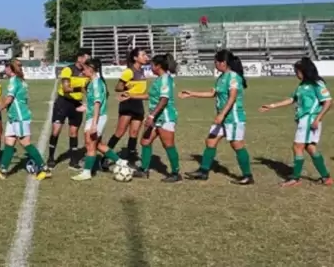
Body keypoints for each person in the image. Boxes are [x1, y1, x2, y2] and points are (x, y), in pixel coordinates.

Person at [180, 50, 254, 185]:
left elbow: (232, 98)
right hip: (224, 117)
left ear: (223, 63)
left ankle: (247, 175)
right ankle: (203, 171)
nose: (214, 64)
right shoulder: (221, 78)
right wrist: (191, 93)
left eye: (215, 62)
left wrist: (221, 114)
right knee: (210, 141)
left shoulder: (233, 77)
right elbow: (212, 93)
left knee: (237, 145)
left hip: (233, 117)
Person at [259, 58, 333, 186]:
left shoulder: (317, 84)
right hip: (304, 119)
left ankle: (295, 178)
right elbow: (291, 99)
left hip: (309, 118)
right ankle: (326, 178)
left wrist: (318, 118)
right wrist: (272, 106)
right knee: (310, 147)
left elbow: (328, 101)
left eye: (297, 71)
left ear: (304, 71)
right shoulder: (302, 85)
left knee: (297, 146)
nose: (296, 74)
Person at [120, 54, 182, 182]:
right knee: (145, 141)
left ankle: (176, 173)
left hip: (164, 117)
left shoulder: (165, 79)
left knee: (168, 145)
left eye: (152, 65)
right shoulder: (159, 79)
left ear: (158, 66)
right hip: (156, 118)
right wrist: (130, 95)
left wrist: (152, 115)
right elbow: (149, 96)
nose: (150, 67)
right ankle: (144, 170)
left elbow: (164, 100)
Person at [0, 60, 48, 180]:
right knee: (9, 140)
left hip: (19, 117)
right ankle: (3, 170)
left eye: (6, 68)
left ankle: (44, 168)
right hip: (13, 117)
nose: (5, 70)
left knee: (25, 142)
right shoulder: (19, 80)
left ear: (11, 69)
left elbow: (9, 99)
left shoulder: (14, 81)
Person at [71, 58, 128, 181]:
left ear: (90, 69)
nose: (83, 70)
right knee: (98, 145)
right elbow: (95, 103)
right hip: (94, 116)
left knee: (90, 144)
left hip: (95, 118)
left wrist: (94, 124)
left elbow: (97, 104)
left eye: (85, 68)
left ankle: (87, 172)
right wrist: (86, 107)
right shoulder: (94, 82)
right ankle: (121, 161)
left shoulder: (96, 83)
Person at [104, 47, 149, 169]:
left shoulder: (142, 71)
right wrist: (126, 88)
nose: (146, 57)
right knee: (120, 132)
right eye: (143, 55)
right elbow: (118, 87)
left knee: (134, 133)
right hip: (127, 103)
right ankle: (106, 156)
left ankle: (131, 159)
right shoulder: (129, 72)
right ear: (135, 58)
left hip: (138, 103)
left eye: (146, 55)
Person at [49, 50, 90, 170]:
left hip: (77, 104)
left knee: (74, 132)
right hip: (63, 103)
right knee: (56, 131)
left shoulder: (87, 72)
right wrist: (81, 88)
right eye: (86, 59)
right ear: (79, 58)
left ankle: (73, 160)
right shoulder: (68, 70)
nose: (88, 62)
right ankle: (51, 158)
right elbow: (66, 89)